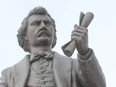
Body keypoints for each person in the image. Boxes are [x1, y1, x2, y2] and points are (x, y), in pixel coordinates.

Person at [0, 6, 106, 87]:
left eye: (47, 23)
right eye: (36, 23)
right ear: (25, 35)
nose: (43, 26)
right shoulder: (8, 75)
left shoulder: (74, 66)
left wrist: (84, 53)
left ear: (54, 33)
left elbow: (99, 85)